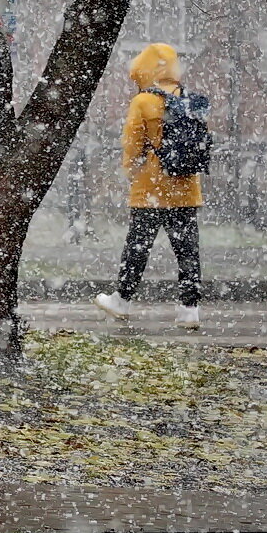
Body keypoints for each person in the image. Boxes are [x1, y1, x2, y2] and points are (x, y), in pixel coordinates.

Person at [94, 42, 203, 329]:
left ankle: (122, 301)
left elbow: (132, 144)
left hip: (150, 189)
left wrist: (130, 171)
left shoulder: (143, 101)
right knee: (187, 250)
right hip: (185, 188)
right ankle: (189, 310)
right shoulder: (188, 99)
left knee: (138, 247)